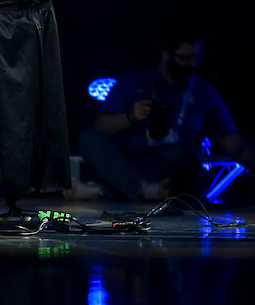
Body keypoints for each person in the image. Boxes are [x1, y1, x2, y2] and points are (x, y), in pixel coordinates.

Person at [78, 30, 255, 203]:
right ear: (166, 55)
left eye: (196, 57)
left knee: (184, 155)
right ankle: (138, 190)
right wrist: (131, 116)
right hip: (125, 160)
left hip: (167, 166)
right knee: (87, 138)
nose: (192, 64)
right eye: (184, 58)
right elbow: (100, 126)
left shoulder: (206, 94)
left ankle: (110, 190)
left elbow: (236, 144)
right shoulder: (133, 81)